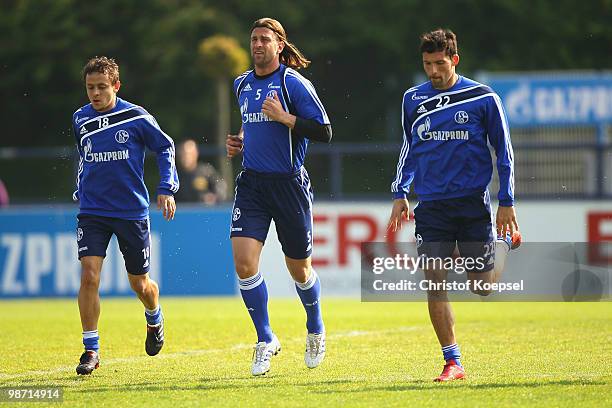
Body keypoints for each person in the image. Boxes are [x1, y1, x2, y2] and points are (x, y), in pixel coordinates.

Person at [387, 29, 521, 382]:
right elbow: (409, 148)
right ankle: (452, 361)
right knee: (434, 279)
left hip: (472, 203)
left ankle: (503, 245)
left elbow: (503, 152)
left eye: (440, 63)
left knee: (481, 286)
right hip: (431, 205)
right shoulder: (412, 99)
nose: (433, 70)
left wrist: (506, 201)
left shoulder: (483, 97)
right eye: (427, 64)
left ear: (455, 60)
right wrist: (400, 192)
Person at [226, 17, 332, 376]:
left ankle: (315, 327)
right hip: (253, 184)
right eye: (254, 39)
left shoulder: (293, 83)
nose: (258, 45)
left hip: (289, 186)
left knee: (299, 269)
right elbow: (253, 122)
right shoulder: (241, 83)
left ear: (279, 45)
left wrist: (285, 117)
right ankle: (265, 337)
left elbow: (325, 132)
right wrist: (241, 141)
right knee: (243, 262)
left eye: (265, 40)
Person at [71, 56, 179, 375]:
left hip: (131, 211)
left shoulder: (136, 116)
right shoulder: (80, 118)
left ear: (116, 86)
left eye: (102, 87)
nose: (95, 93)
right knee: (90, 275)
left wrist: (167, 187)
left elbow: (165, 147)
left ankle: (154, 317)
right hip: (92, 210)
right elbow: (84, 155)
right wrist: (81, 187)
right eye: (90, 88)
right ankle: (91, 349)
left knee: (140, 284)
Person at [174, 139, 227, 204]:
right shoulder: (173, 176)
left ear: (195, 154)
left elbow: (221, 187)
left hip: (204, 212)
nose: (185, 157)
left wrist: (213, 197)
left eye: (188, 154)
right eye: (182, 154)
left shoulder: (206, 171)